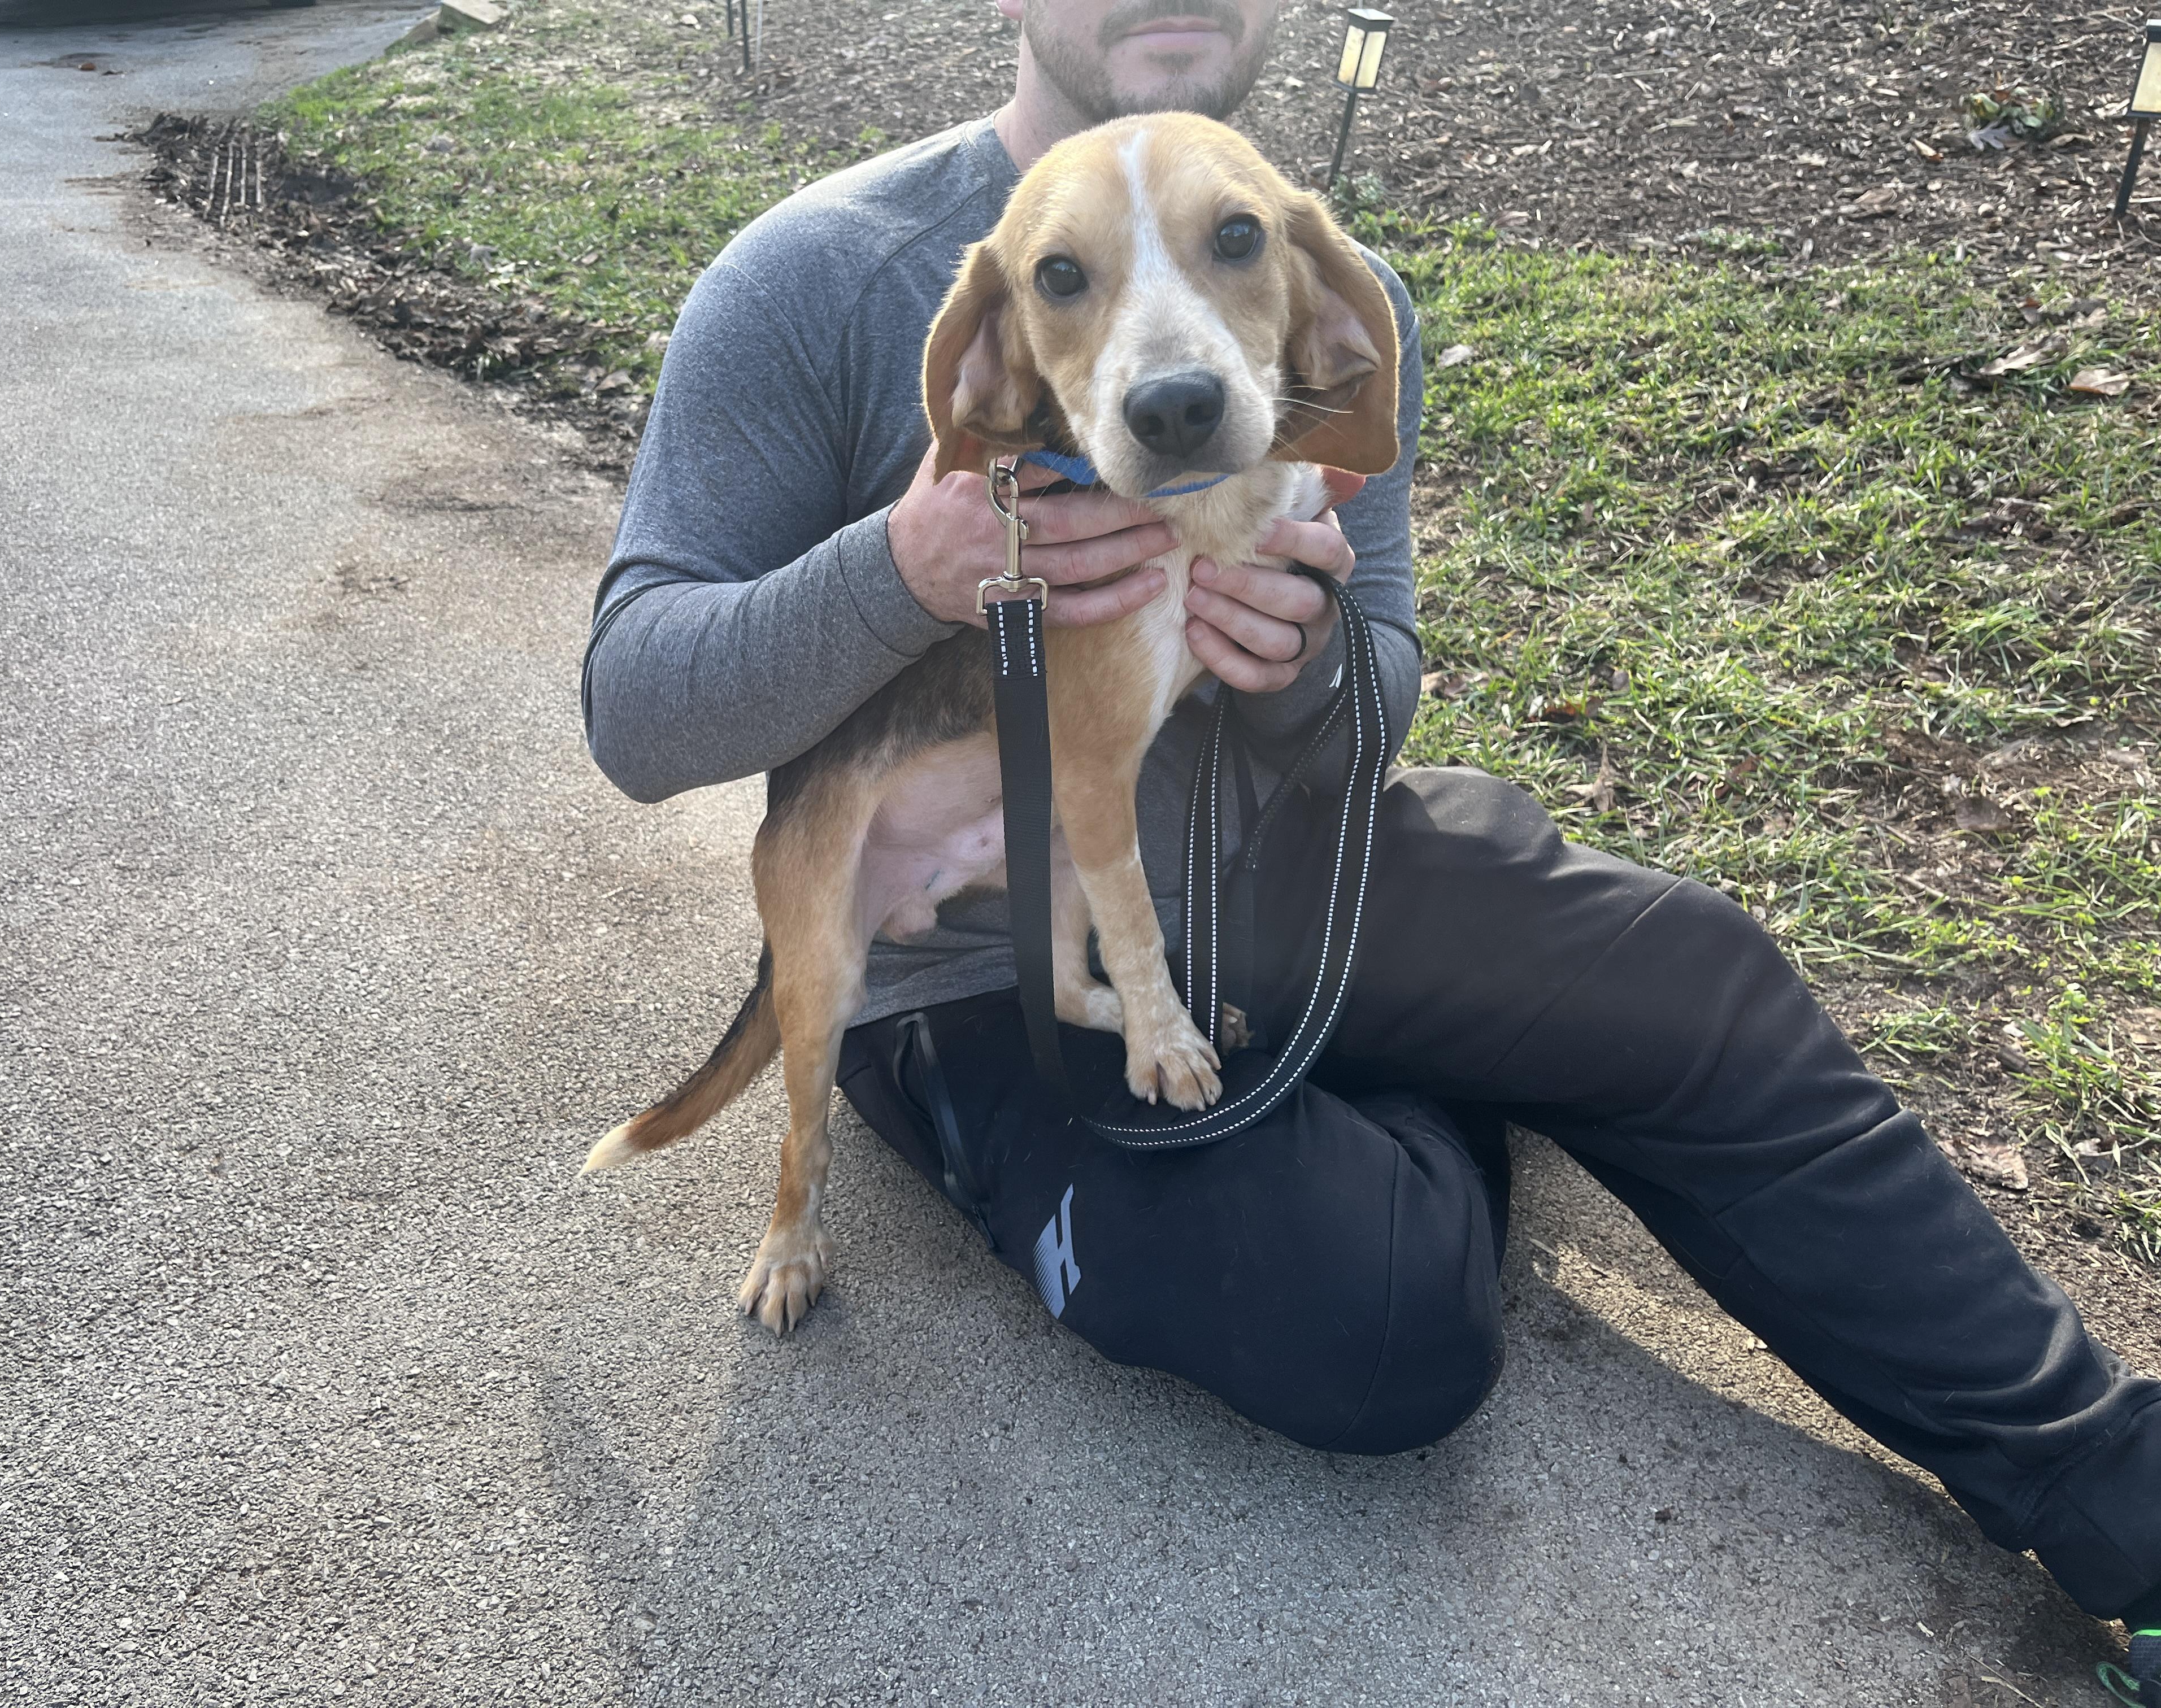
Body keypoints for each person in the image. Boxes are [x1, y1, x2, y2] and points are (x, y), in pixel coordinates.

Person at [582, 0, 2161, 1681]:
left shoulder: (1330, 294)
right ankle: (1426, 1086)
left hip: (1290, 860)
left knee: (1698, 974)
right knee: (1377, 1324)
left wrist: (1311, 659)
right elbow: (637, 709)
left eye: (1228, 249)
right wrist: (899, 571)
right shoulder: (815, 275)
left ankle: (2126, 1510)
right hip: (983, 965)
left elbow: (1383, 674)